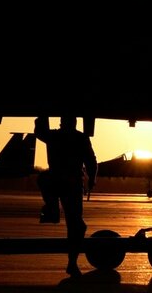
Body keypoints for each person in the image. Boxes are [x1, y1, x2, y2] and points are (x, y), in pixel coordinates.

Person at [34, 116, 98, 277]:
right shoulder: (81, 138)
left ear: (62, 122)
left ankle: (51, 207)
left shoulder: (54, 135)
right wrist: (92, 180)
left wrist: (41, 117)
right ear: (75, 122)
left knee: (43, 179)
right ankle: (72, 262)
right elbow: (91, 161)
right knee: (76, 225)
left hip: (55, 181)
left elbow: (39, 131)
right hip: (72, 184)